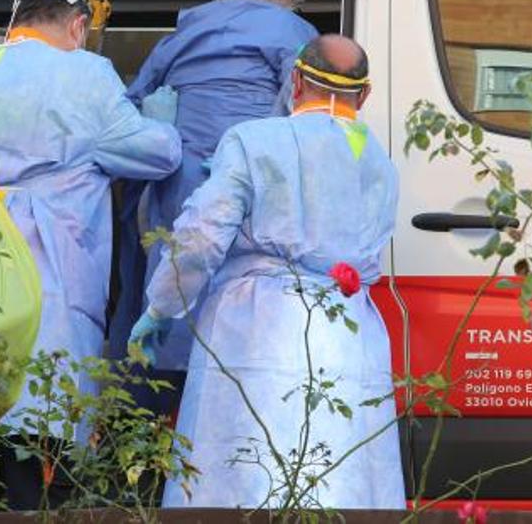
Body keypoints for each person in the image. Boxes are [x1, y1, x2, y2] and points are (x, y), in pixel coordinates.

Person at [131, 35, 403, 509]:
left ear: (295, 80)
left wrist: (161, 306)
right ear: (366, 94)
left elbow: (201, 237)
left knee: (237, 478)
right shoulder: (381, 164)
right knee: (344, 479)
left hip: (256, 325)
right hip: (349, 328)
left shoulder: (252, 140)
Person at [0, 0, 181, 508]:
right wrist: (162, 121)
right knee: (40, 432)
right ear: (78, 26)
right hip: (52, 272)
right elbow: (153, 154)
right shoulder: (87, 75)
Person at [107, 0, 317, 403]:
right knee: (236, 319)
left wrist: (163, 126)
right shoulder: (297, 34)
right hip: (250, 187)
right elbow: (301, 110)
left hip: (173, 184)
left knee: (165, 295)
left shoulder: (179, 37)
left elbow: (128, 111)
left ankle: (147, 428)